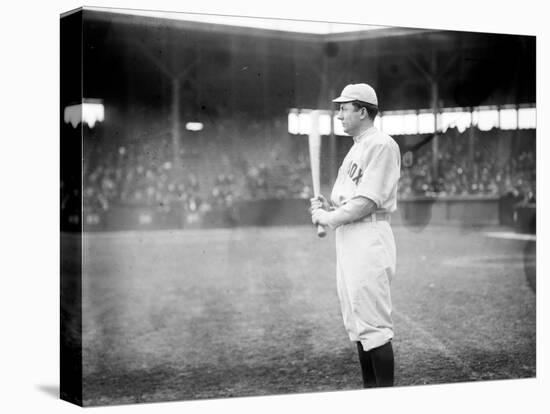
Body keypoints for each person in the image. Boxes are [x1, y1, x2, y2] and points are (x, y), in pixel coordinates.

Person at [310, 83, 401, 387]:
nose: (339, 115)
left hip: (369, 235)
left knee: (373, 326)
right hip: (350, 238)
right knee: (358, 326)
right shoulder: (356, 148)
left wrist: (329, 218)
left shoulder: (381, 145)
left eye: (344, 108)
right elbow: (348, 200)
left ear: (363, 111)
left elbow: (366, 202)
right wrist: (328, 206)